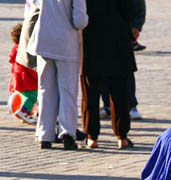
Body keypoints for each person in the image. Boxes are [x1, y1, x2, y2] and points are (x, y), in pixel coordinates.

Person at [27, 0, 88, 150]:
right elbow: (79, 20)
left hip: (43, 40)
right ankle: (67, 133)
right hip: (65, 43)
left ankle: (44, 134)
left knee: (45, 90)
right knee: (67, 91)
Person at [80, 0, 136, 149]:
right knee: (119, 94)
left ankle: (92, 138)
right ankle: (122, 137)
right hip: (118, 40)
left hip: (90, 41)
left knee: (90, 94)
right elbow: (130, 10)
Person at [99, 0, 146, 121]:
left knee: (125, 71)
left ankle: (131, 106)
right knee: (102, 70)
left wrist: (137, 25)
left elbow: (138, 3)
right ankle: (108, 105)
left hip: (123, 31)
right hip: (99, 31)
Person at [8, 24, 38, 125]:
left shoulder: (15, 49)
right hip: (28, 79)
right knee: (32, 97)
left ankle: (27, 114)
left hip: (19, 79)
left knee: (26, 96)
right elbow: (31, 67)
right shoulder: (25, 50)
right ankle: (23, 112)